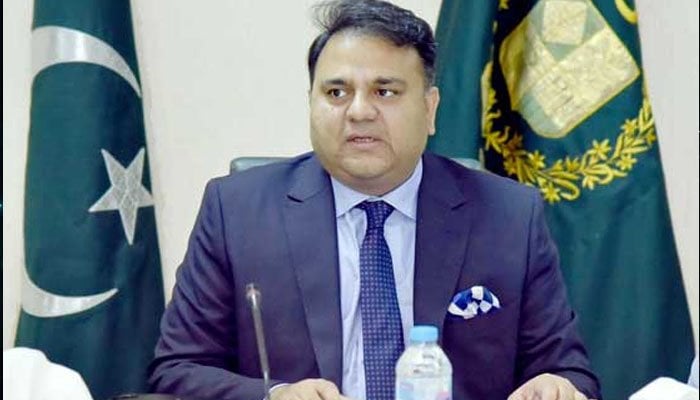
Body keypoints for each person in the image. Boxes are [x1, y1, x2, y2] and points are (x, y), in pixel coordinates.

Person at [148, 1, 601, 399]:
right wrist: (276, 395)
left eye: (385, 91)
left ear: (430, 109)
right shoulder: (237, 212)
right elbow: (175, 371)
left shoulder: (509, 217)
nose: (359, 111)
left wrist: (557, 386)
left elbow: (569, 371)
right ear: (311, 103)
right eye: (336, 92)